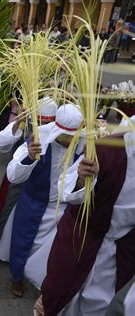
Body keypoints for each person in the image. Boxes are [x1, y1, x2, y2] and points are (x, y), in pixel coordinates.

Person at [40, 126, 135, 316]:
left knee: (101, 305)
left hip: (121, 251)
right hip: (81, 239)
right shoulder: (107, 150)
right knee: (62, 297)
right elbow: (65, 189)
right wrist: (82, 181)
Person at [7, 104, 83, 297]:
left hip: (63, 208)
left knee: (56, 251)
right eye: (65, 137)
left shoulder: (83, 145)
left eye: (72, 138)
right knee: (22, 242)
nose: (68, 142)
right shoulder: (38, 139)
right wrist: (30, 158)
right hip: (33, 202)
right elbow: (13, 175)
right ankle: (17, 277)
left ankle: (46, 283)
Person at [0, 97, 58, 262]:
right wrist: (16, 124)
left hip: (41, 185)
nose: (43, 126)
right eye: (40, 121)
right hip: (18, 177)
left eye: (48, 122)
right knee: (7, 212)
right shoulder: (25, 124)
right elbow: (0, 145)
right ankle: (0, 247)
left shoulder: (59, 134)